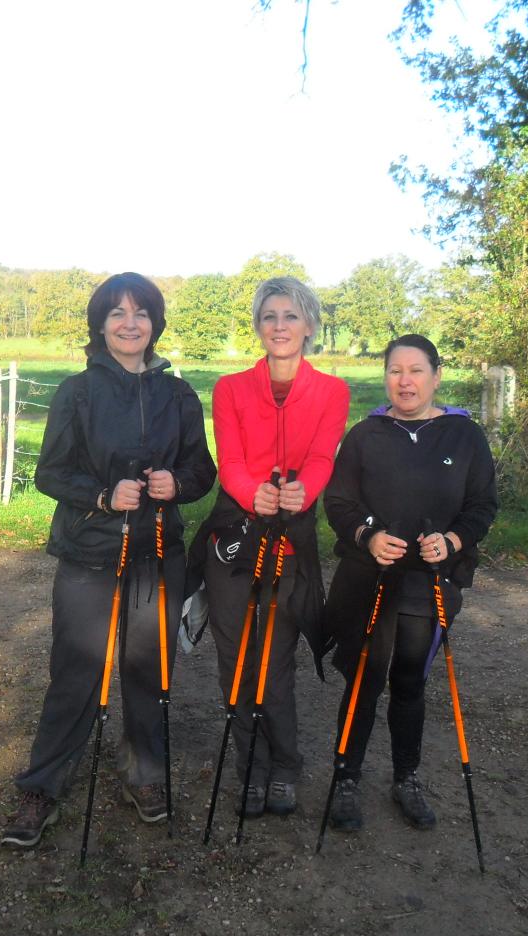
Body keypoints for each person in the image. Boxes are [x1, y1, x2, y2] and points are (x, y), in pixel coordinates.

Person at [2, 272, 216, 847]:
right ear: (100, 324)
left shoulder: (179, 395)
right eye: (118, 313)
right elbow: (49, 471)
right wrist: (102, 496)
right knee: (76, 670)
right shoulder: (78, 391)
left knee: (149, 672)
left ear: (155, 323)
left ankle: (143, 775)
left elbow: (204, 471)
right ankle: (41, 787)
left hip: (158, 556)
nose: (130, 322)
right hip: (90, 552)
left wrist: (177, 483)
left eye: (141, 312)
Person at [321, 333, 497, 832]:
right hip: (369, 579)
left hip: (430, 581)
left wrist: (454, 541)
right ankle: (346, 777)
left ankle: (407, 778)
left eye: (416, 370)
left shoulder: (464, 436)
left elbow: (482, 506)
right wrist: (367, 537)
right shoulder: (365, 435)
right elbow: (339, 504)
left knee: (408, 681)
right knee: (363, 679)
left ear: (436, 376)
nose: (405, 380)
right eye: (395, 370)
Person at [188, 277, 349, 817]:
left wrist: (306, 494)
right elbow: (228, 461)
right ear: (258, 326)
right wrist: (250, 492)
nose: (279, 326)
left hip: (290, 536)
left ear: (309, 326)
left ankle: (285, 764)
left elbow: (324, 457)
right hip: (235, 534)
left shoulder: (332, 391)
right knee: (236, 659)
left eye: (291, 316)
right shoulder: (230, 387)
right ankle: (248, 767)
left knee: (275, 657)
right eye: (269, 316)